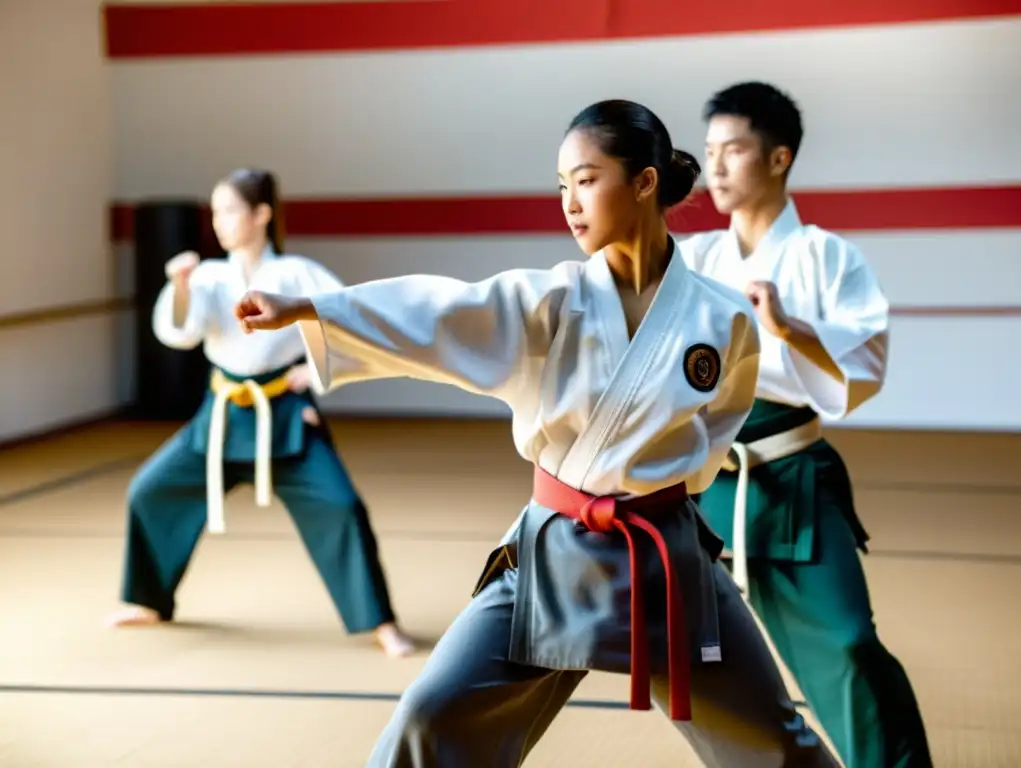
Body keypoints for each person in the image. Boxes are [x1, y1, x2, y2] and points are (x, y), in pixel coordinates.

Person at [234, 101, 838, 767]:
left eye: (586, 180)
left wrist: (659, 482)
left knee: (775, 741)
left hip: (665, 555)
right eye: (561, 186)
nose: (570, 203)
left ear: (644, 183)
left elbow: (720, 421)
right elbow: (439, 313)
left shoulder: (721, 318)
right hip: (555, 553)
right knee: (428, 716)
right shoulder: (546, 301)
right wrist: (315, 309)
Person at [679, 81, 933, 767]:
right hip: (706, 481)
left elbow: (864, 363)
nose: (718, 169)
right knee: (699, 664)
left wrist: (790, 327)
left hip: (791, 472)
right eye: (709, 154)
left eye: (734, 150)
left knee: (847, 642)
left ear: (780, 157)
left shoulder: (827, 256)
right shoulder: (696, 258)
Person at [106, 168, 415, 659]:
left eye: (229, 209)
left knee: (341, 506)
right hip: (223, 412)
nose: (220, 221)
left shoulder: (297, 273)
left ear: (261, 215)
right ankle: (148, 601)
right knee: (150, 490)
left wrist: (311, 376)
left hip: (285, 415)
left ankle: (380, 621)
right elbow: (181, 332)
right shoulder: (209, 275)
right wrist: (181, 285)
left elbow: (351, 320)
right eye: (215, 211)